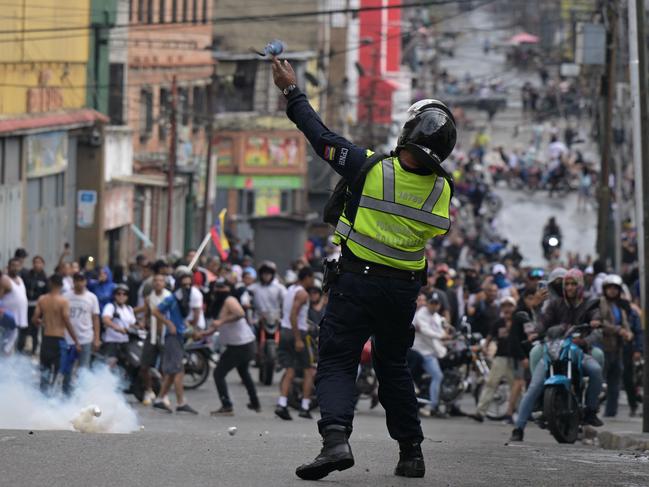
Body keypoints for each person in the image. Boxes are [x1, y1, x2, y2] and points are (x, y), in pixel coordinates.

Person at [272, 56, 455, 479]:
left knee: (337, 360)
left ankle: (336, 440)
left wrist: (290, 89)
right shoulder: (442, 191)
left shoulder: (369, 168)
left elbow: (318, 136)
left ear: (408, 132)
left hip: (356, 281)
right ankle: (411, 453)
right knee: (393, 367)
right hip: (404, 291)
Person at [510, 269, 603, 442]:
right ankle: (518, 428)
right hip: (553, 349)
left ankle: (591, 410)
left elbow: (597, 325)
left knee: (595, 370)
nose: (569, 287)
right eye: (566, 284)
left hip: (578, 351)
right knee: (534, 386)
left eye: (573, 283)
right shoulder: (555, 304)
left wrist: (587, 335)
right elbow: (544, 322)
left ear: (580, 285)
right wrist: (535, 332)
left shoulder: (589, 303)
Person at [200, 279, 260, 416]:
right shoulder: (221, 303)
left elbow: (240, 313)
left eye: (222, 287)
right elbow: (218, 325)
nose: (219, 291)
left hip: (241, 345)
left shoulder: (229, 300)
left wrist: (221, 321)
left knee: (218, 373)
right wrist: (204, 334)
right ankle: (255, 402)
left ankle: (227, 406)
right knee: (244, 372)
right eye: (218, 288)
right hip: (242, 343)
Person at [151, 270, 198, 414]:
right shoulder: (172, 298)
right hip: (172, 337)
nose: (187, 287)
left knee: (172, 372)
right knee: (178, 371)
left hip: (179, 335)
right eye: (184, 284)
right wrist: (168, 323)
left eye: (189, 284)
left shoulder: (184, 298)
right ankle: (180, 402)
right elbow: (156, 311)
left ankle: (159, 399)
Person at [275, 267, 316, 421]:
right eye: (311, 279)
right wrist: (298, 338)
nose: (312, 282)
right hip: (297, 333)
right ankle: (305, 407)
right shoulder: (303, 294)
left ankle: (282, 404)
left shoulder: (290, 290)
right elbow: (293, 314)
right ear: (307, 277)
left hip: (284, 331)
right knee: (308, 370)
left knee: (290, 370)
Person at [471, 297, 518, 422]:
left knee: (517, 386)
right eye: (504, 306)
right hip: (500, 357)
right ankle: (480, 412)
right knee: (491, 383)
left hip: (515, 358)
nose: (507, 309)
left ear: (514, 308)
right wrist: (485, 347)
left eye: (510, 306)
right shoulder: (498, 323)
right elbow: (490, 337)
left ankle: (521, 412)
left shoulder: (518, 321)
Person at [32, 275, 81, 394]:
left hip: (46, 339)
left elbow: (34, 319)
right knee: (57, 373)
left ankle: (42, 399)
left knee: (44, 372)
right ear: (61, 286)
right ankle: (53, 401)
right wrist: (76, 340)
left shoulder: (42, 299)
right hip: (59, 340)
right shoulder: (63, 301)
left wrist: (41, 321)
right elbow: (66, 319)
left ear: (50, 284)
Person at [598, 274, 633, 417]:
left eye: (615, 288)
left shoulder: (619, 306)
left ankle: (611, 413)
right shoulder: (601, 303)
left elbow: (625, 324)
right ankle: (591, 411)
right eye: (610, 288)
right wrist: (618, 330)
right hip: (603, 348)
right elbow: (600, 322)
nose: (612, 291)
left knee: (615, 384)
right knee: (600, 382)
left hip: (617, 349)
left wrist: (628, 333)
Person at [412, 292, 451, 418]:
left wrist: (449, 332)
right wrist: (442, 336)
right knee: (437, 376)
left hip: (433, 351)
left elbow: (443, 327)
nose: (434, 306)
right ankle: (433, 406)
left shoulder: (436, 317)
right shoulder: (421, 314)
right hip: (422, 352)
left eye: (436, 304)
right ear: (428, 303)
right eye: (432, 303)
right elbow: (425, 331)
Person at [61, 273, 100, 394]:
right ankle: (66, 394)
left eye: (81, 280)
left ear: (85, 282)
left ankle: (82, 395)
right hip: (68, 338)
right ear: (73, 282)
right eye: (76, 280)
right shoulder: (66, 296)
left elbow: (95, 318)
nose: (79, 283)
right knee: (67, 369)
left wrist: (96, 338)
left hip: (86, 337)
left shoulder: (92, 297)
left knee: (84, 369)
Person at [138, 273, 171, 406]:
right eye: (155, 280)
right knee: (144, 366)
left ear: (164, 283)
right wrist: (142, 322)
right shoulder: (149, 298)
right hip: (151, 335)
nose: (158, 283)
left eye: (160, 280)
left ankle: (164, 394)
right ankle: (149, 390)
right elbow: (146, 314)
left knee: (165, 368)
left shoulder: (169, 297)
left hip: (165, 335)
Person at [17, 255, 48, 355]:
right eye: (35, 262)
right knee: (23, 329)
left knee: (35, 330)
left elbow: (46, 294)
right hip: (25, 306)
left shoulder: (45, 278)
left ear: (43, 264)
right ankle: (20, 349)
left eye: (39, 262)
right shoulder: (26, 275)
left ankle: (34, 351)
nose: (37, 264)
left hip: (37, 307)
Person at [101, 284, 136, 367]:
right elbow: (106, 320)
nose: (121, 296)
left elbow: (132, 323)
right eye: (119, 294)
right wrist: (118, 328)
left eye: (124, 294)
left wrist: (138, 327)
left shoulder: (129, 309)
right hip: (112, 342)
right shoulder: (110, 306)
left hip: (125, 342)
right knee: (110, 365)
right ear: (115, 295)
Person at [0, 258, 29, 353]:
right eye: (13, 266)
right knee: (6, 348)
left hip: (17, 320)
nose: (15, 268)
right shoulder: (5, 280)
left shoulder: (20, 279)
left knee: (12, 348)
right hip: (7, 320)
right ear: (8, 267)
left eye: (17, 266)